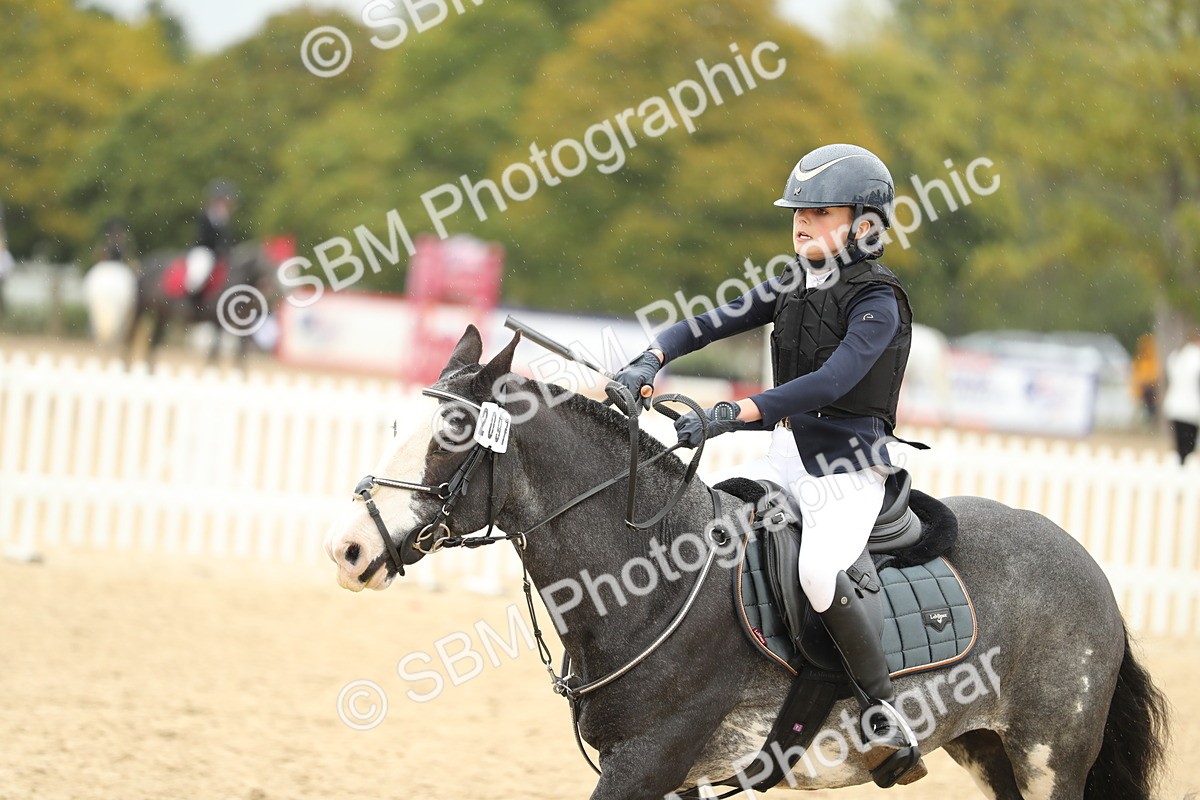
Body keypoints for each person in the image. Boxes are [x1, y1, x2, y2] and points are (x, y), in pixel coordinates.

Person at [613, 144, 922, 787]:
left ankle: (883, 715)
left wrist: (733, 413)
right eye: (798, 212)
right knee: (710, 530)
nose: (802, 222)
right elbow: (706, 324)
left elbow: (832, 381)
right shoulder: (791, 282)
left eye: (820, 212)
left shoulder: (878, 300)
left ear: (866, 224)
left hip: (849, 470)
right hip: (786, 457)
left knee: (817, 571)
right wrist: (651, 358)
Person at [185, 179, 237, 303]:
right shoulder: (206, 217)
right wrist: (216, 250)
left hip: (218, 255)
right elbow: (202, 238)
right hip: (203, 251)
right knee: (200, 272)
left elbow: (226, 241)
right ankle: (191, 301)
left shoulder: (224, 220)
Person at [1162, 332, 1200, 465]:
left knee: (1179, 445)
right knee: (1189, 447)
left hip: (1174, 406)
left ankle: (1180, 467)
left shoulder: (1177, 355)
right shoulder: (1196, 356)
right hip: (1191, 408)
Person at [1130, 334, 1160, 428]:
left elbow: (1154, 375)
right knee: (1142, 410)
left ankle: (1148, 424)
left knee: (1149, 410)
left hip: (1149, 391)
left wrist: (1147, 382)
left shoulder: (1152, 360)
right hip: (1142, 390)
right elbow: (1135, 375)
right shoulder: (1140, 360)